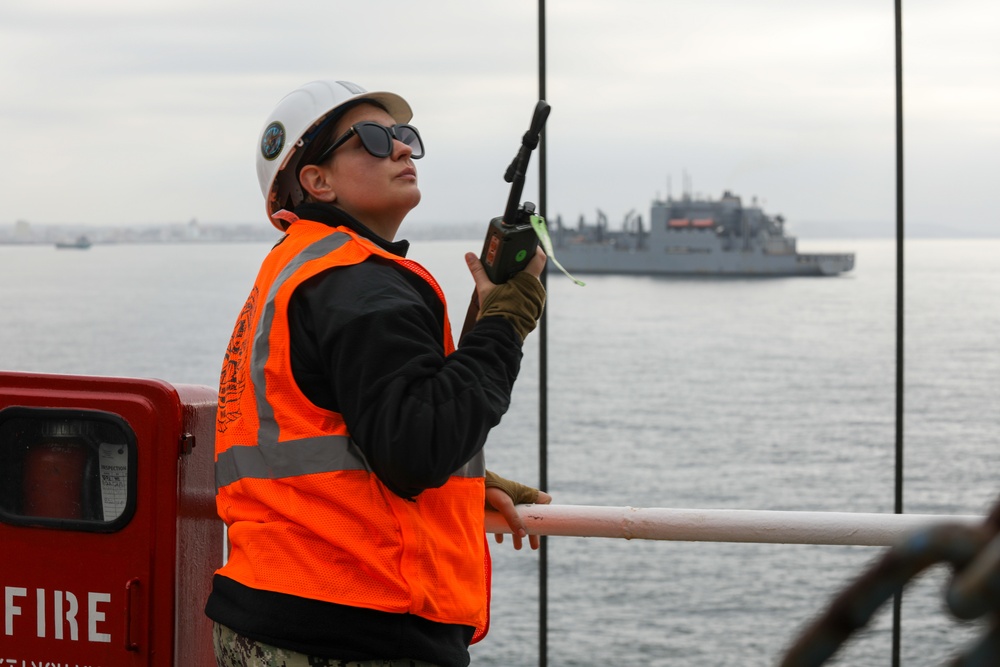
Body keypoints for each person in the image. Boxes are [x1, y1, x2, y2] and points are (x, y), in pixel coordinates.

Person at [206, 79, 551, 667]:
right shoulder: (359, 281)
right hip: (353, 629)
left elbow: (353, 434)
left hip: (273, 616)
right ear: (317, 181)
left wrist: (461, 485)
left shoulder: (297, 272)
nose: (401, 150)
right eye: (371, 138)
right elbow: (413, 447)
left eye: (405, 137)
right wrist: (504, 323)